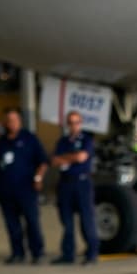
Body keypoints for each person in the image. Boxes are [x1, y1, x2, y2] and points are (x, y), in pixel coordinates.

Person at [0, 108, 49, 264]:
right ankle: (17, 253)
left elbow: (42, 162)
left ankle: (38, 253)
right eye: (8, 121)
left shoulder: (30, 139)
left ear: (20, 121)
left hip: (26, 189)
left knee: (32, 222)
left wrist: (38, 178)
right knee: (12, 224)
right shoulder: (1, 143)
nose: (11, 123)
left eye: (14, 120)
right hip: (6, 191)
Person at [49, 111, 98, 265]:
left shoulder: (86, 140)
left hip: (81, 182)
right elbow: (54, 161)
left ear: (80, 123)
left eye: (76, 122)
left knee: (86, 219)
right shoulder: (63, 141)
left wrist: (65, 158)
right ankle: (68, 254)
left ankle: (91, 253)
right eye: (70, 122)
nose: (73, 125)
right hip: (65, 183)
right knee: (66, 220)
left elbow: (81, 157)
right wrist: (72, 157)